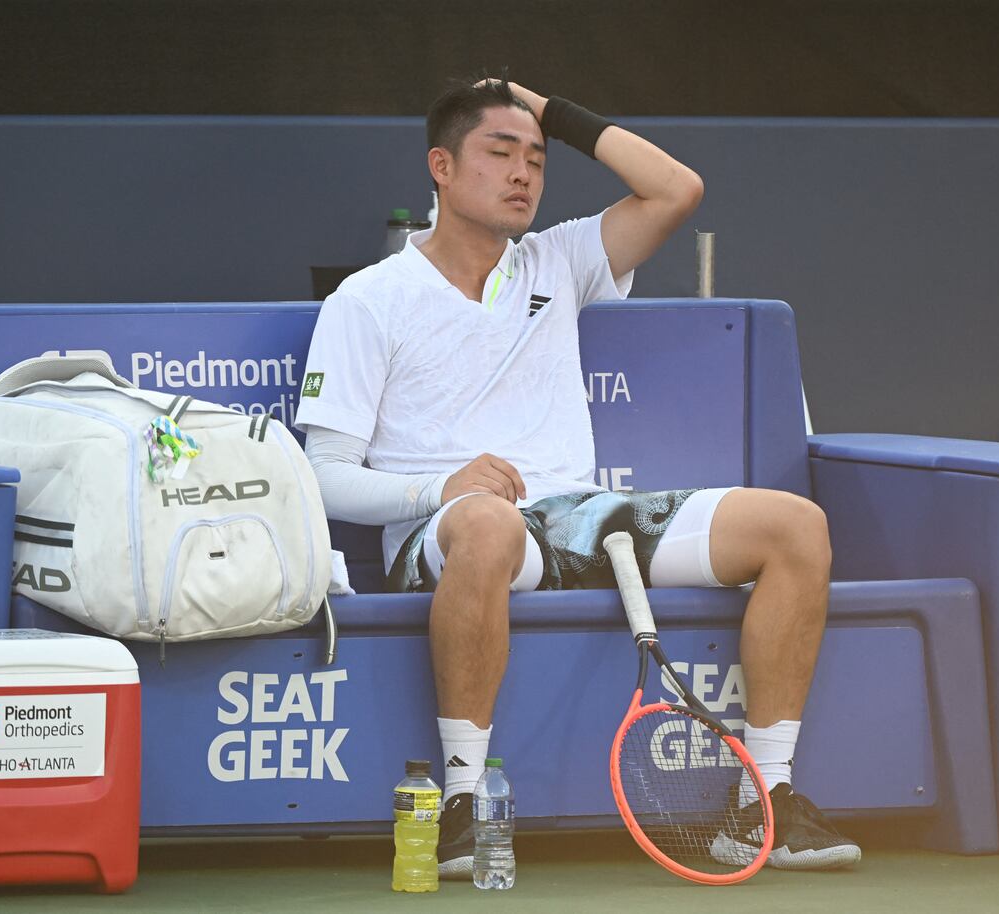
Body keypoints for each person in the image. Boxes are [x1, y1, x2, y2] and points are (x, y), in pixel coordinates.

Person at [294, 76, 861, 875]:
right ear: (442, 168)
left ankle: (763, 799)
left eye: (537, 159)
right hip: (448, 531)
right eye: (500, 153)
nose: (524, 172)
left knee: (796, 527)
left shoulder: (557, 260)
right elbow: (322, 477)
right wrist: (444, 490)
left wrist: (554, 112)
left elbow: (677, 189)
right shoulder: (369, 300)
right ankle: (464, 800)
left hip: (585, 519)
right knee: (488, 526)